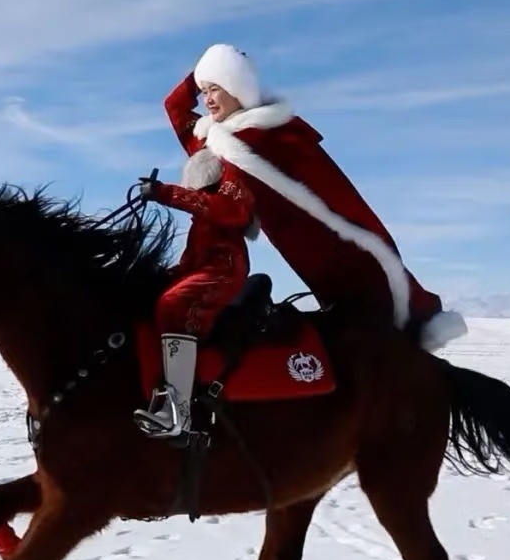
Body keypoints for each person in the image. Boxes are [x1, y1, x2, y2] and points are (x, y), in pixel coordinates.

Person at [158, 42, 467, 352]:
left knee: (365, 302)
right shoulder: (215, 136)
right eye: (204, 90)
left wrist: (166, 193)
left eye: (215, 89)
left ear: (237, 89)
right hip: (287, 244)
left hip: (313, 242)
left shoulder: (261, 139)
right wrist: (203, 72)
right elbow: (174, 107)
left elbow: (321, 196)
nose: (207, 99)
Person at [132, 141, 258, 439]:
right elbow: (191, 259)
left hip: (224, 272)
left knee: (174, 304)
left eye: (216, 90)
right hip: (204, 269)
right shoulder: (202, 220)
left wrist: (165, 193)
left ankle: (178, 412)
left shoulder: (233, 183)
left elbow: (229, 212)